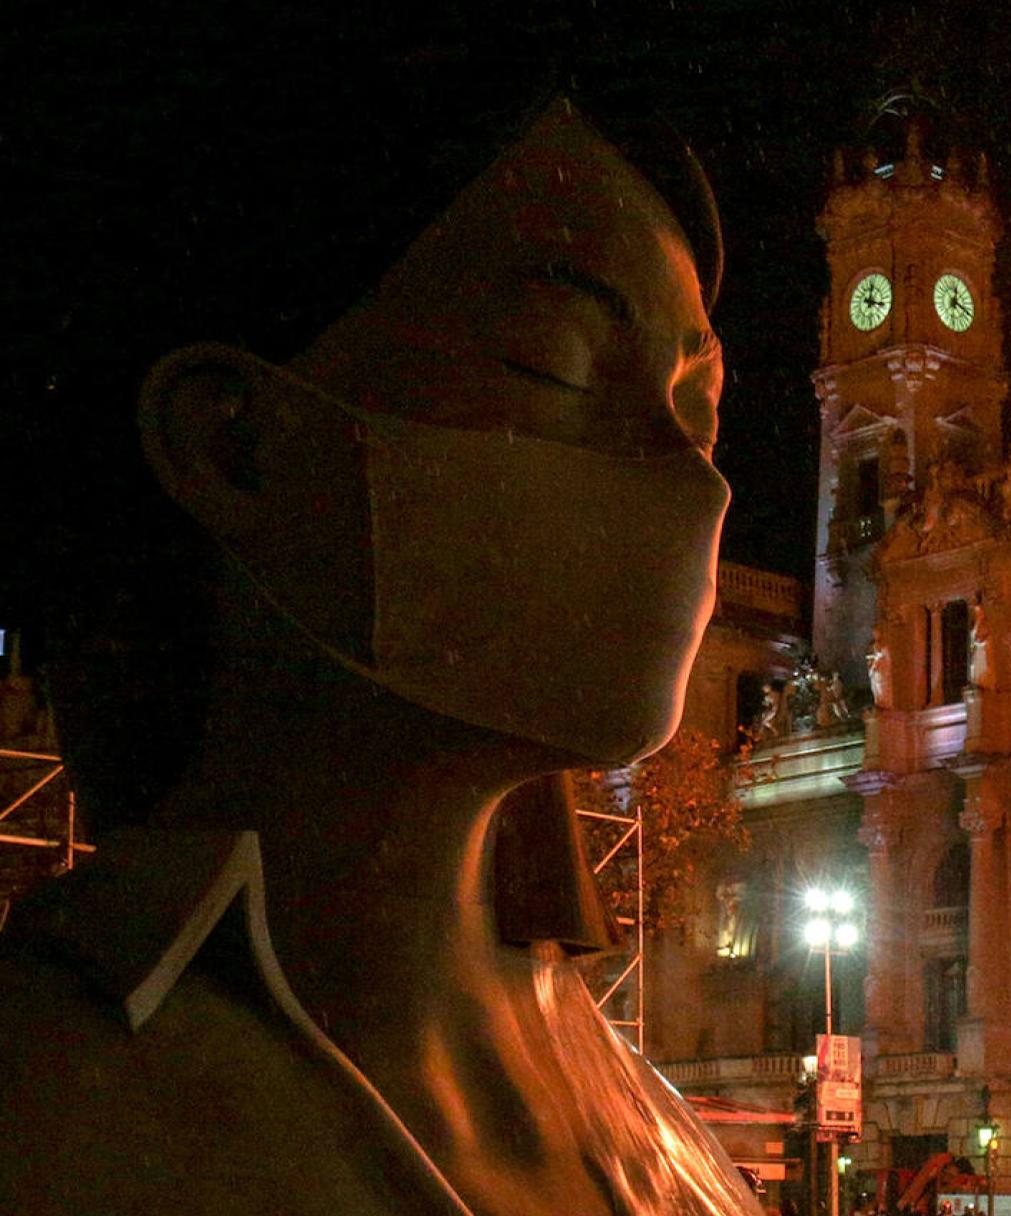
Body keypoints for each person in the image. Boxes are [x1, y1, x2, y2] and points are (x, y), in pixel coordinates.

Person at [0, 20, 755, 1215]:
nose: (694, 481)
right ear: (234, 443)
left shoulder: (668, 1140)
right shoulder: (48, 1112)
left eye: (698, 408)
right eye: (554, 364)